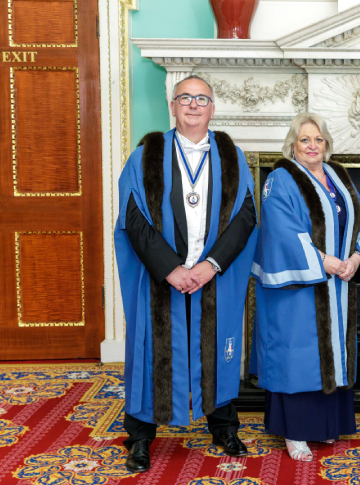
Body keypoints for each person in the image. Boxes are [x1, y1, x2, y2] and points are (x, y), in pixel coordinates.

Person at [115, 75, 257, 473]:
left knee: (217, 345)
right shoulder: (146, 155)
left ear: (213, 108)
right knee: (151, 349)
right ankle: (140, 436)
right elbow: (133, 218)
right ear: (173, 107)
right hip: (164, 276)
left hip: (212, 273)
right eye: (185, 98)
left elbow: (246, 217)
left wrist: (211, 266)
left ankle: (224, 426)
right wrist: (170, 269)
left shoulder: (232, 156)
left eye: (202, 99)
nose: (193, 105)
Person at [249, 113, 360, 461]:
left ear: (326, 144)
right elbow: (281, 231)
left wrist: (356, 258)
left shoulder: (338, 175)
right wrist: (324, 261)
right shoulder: (281, 179)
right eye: (305, 140)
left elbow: (357, 219)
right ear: (293, 145)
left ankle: (326, 426)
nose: (312, 145)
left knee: (331, 353)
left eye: (318, 139)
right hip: (297, 290)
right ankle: (295, 431)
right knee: (296, 355)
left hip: (337, 286)